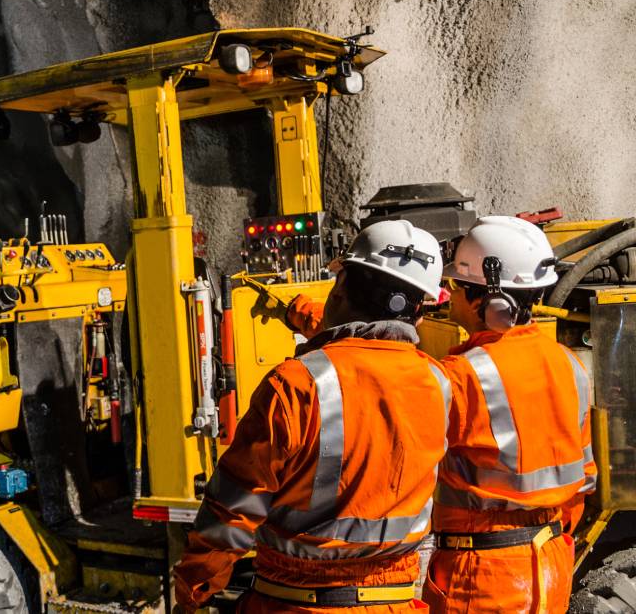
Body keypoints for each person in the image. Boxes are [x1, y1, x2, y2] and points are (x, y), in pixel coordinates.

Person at [174, 220, 451, 613]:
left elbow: (233, 507)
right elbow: (368, 346)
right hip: (396, 603)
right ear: (419, 312)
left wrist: (194, 589)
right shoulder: (440, 382)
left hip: (297, 603)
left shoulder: (295, 385)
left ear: (338, 290)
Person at [422, 216, 594, 613]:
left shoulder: (462, 375)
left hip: (484, 577)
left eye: (458, 288)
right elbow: (583, 482)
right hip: (550, 566)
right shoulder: (569, 365)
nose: (451, 297)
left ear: (490, 302)